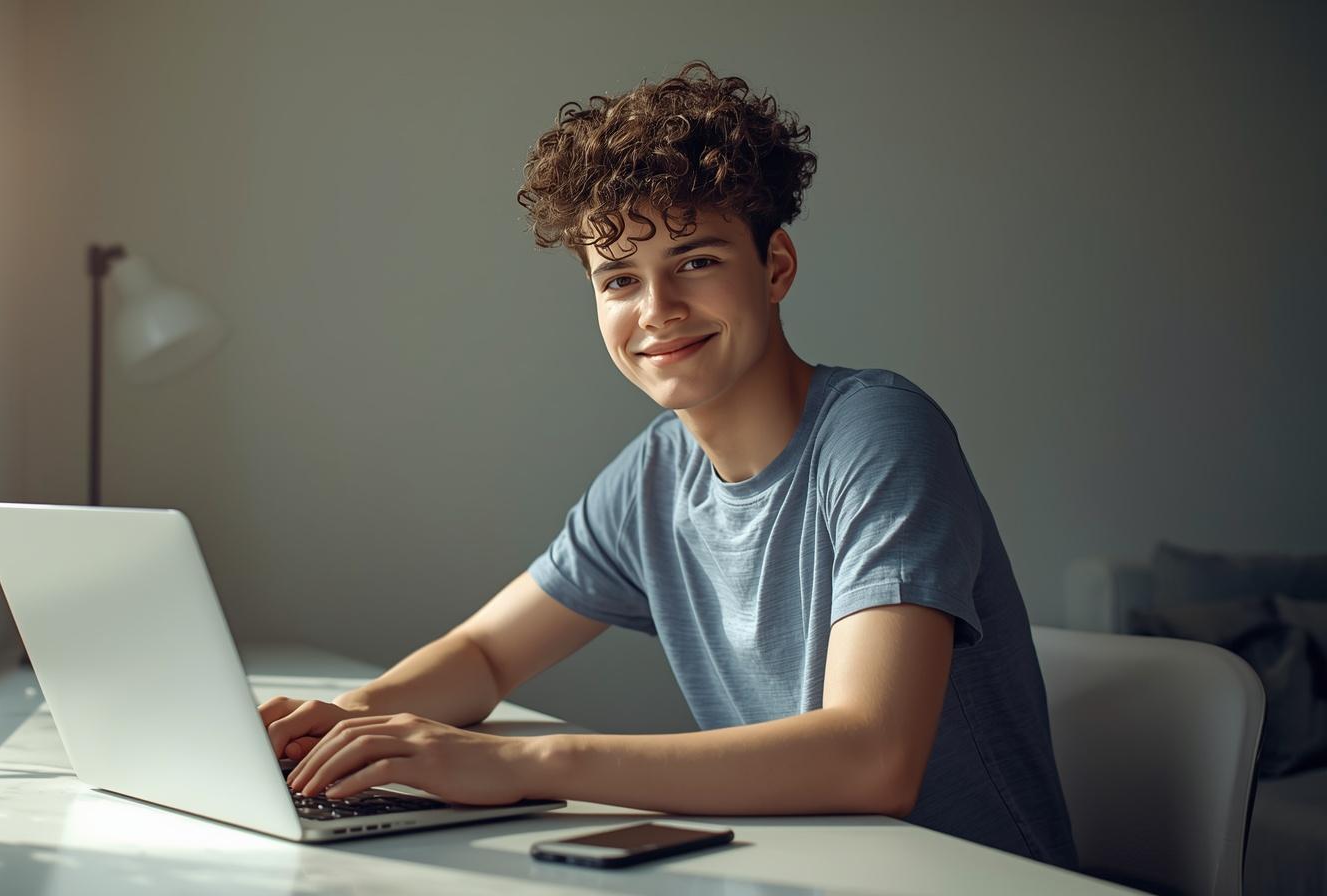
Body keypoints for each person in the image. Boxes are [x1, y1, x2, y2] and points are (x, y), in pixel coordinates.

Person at [259, 60, 1078, 869]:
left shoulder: (879, 433)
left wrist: (521, 764)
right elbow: (487, 655)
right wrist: (345, 718)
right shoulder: (657, 474)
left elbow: (873, 758)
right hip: (807, 873)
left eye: (695, 261)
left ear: (776, 267)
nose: (658, 311)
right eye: (619, 279)